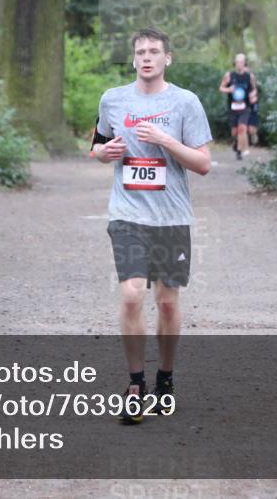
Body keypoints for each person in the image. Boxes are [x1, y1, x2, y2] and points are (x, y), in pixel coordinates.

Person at [91, 26, 212, 425]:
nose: (147, 57)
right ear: (133, 59)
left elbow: (203, 164)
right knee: (130, 296)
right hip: (127, 215)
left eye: (154, 51)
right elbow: (96, 144)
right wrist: (104, 152)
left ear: (167, 58)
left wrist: (165, 140)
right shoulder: (113, 99)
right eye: (141, 52)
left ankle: (165, 378)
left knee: (166, 301)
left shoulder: (185, 102)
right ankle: (135, 384)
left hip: (171, 217)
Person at [219, 53, 258, 160]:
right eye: (237, 62)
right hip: (233, 107)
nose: (239, 64)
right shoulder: (229, 75)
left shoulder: (250, 76)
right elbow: (221, 88)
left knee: (242, 128)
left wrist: (253, 95)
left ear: (245, 63)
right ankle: (236, 143)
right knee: (234, 132)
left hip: (245, 107)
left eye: (241, 62)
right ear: (235, 63)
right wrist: (229, 89)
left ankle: (240, 151)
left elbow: (254, 89)